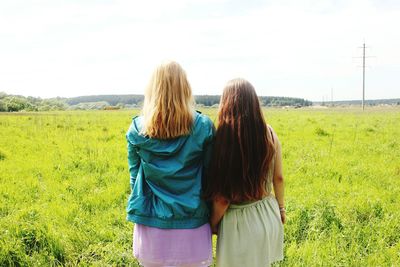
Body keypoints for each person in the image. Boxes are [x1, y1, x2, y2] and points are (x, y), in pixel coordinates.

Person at [126, 61, 215, 267]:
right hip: (193, 224)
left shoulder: (137, 128)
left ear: (152, 90)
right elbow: (211, 177)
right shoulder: (204, 126)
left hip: (151, 224)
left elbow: (134, 177)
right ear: (185, 88)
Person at [203, 78, 285, 267]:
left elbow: (223, 199)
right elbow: (278, 178)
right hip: (268, 214)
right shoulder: (270, 133)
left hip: (240, 224)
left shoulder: (223, 140)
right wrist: (281, 208)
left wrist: (213, 223)